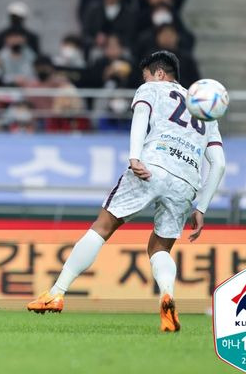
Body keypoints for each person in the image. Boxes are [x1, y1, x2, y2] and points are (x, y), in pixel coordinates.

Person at [27, 51, 227, 333]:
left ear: (159, 73)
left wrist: (135, 157)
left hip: (152, 165)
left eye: (145, 75)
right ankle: (167, 294)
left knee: (103, 226)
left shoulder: (152, 88)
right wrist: (202, 207)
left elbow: (141, 116)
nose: (143, 80)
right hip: (187, 181)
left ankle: (56, 293)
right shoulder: (205, 110)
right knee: (159, 248)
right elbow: (218, 164)